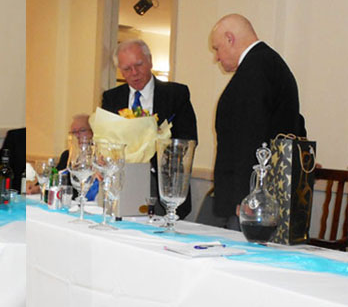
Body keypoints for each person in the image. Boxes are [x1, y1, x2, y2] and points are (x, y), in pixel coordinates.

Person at [206, 14, 305, 230]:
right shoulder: (269, 64)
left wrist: (247, 197)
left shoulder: (254, 71)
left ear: (230, 39)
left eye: (217, 48)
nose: (217, 57)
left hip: (252, 205)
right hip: (266, 197)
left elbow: (249, 138)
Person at [100, 39, 198, 219]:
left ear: (150, 61)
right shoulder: (111, 98)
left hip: (162, 188)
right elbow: (105, 140)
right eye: (127, 69)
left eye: (139, 65)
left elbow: (188, 139)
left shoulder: (175, 95)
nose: (134, 73)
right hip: (122, 185)